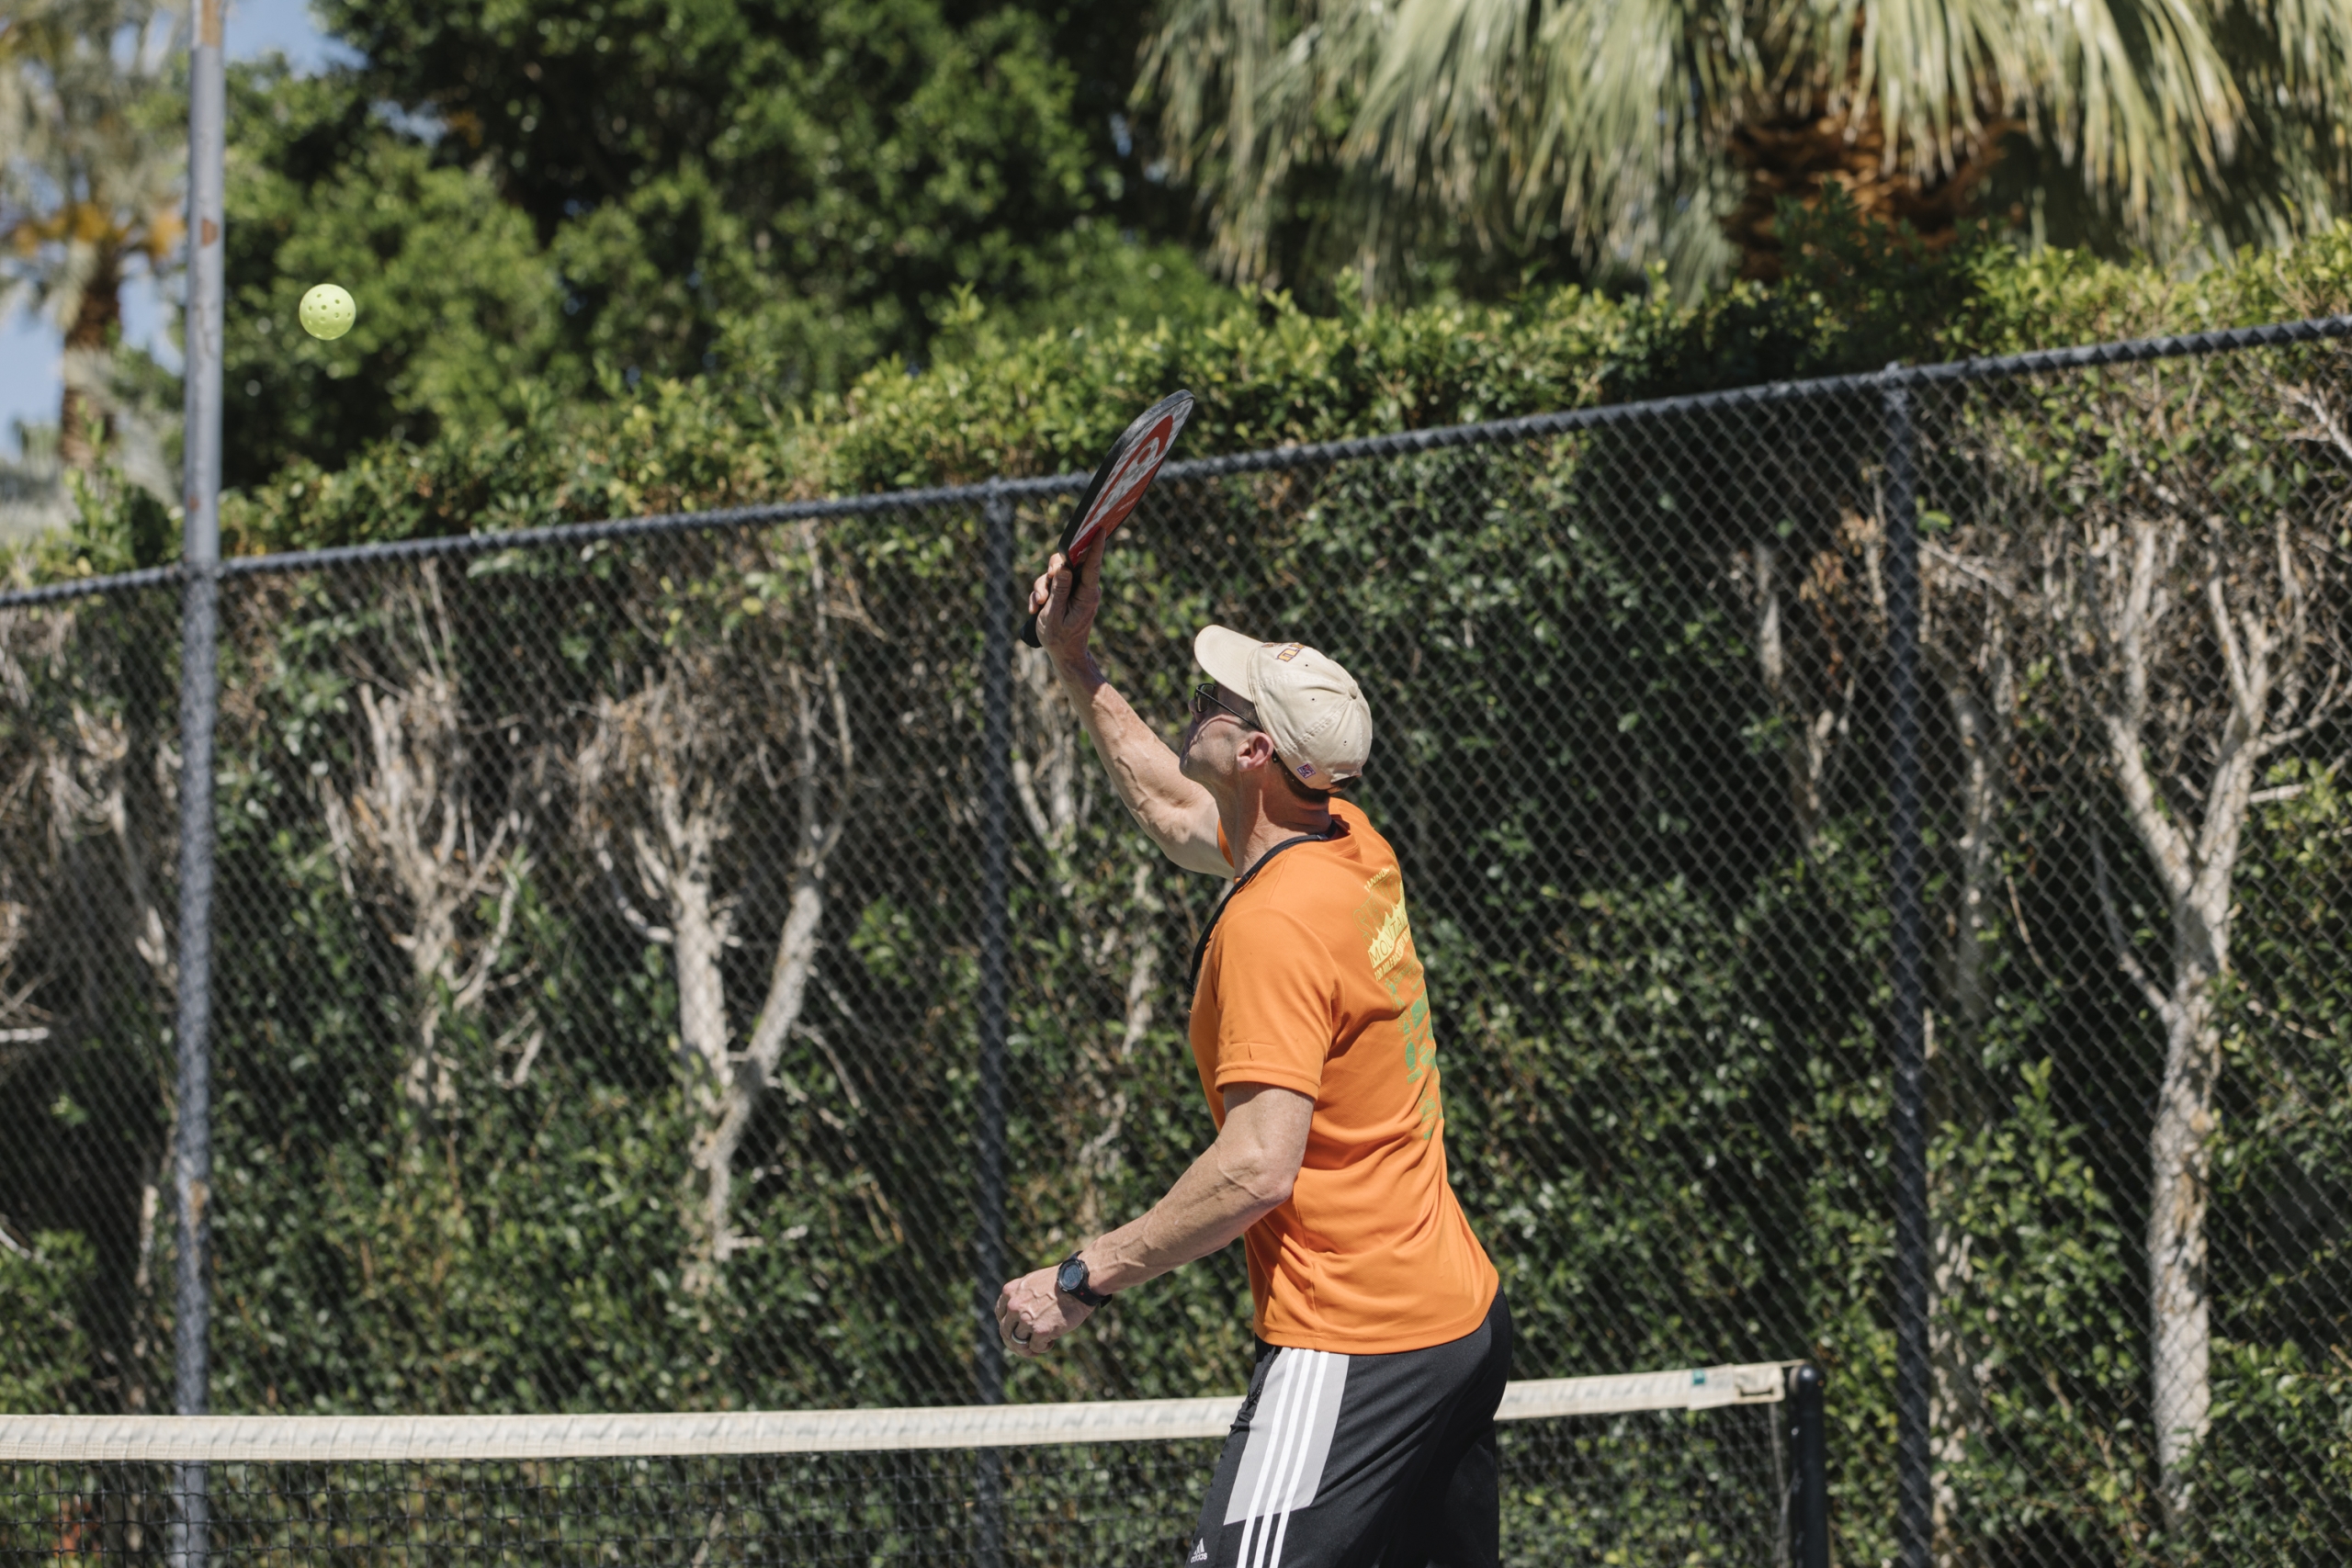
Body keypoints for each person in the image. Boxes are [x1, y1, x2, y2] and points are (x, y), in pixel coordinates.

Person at [994, 546, 1509, 1568]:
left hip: (1358, 1342)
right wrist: (1073, 658)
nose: (1201, 700)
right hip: (1459, 1322)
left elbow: (1257, 1166)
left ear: (1259, 754)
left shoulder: (1272, 926)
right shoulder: (1345, 840)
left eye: (1220, 701)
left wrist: (1081, 1277)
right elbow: (1176, 811)